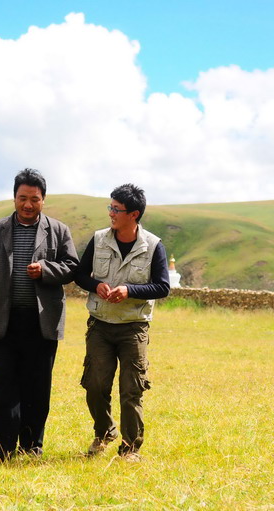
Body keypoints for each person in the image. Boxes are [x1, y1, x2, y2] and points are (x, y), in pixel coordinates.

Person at [0, 169, 79, 465]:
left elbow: (72, 267)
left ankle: (31, 447)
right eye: (22, 198)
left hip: (41, 322)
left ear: (43, 200)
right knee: (0, 384)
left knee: (37, 384)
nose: (27, 205)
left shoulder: (58, 230)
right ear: (14, 197)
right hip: (1, 320)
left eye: (34, 199)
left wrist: (46, 269)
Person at [75, 183, 170, 462]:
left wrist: (130, 290)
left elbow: (162, 287)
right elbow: (80, 275)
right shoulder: (98, 239)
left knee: (131, 389)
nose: (111, 213)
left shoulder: (153, 246)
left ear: (134, 214)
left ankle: (130, 449)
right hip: (100, 324)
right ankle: (104, 432)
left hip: (133, 327)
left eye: (116, 209)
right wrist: (96, 285)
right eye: (110, 207)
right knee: (94, 385)